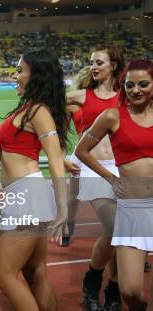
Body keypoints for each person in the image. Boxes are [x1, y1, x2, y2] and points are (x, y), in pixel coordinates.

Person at [0, 49, 69, 310]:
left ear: (35, 76)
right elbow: (8, 156)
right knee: (35, 274)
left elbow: (56, 159)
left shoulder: (38, 111)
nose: (15, 75)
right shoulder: (28, 109)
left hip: (27, 197)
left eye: (20, 70)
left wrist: (63, 208)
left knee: (3, 275)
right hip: (24, 196)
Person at [75, 59, 153, 311]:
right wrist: (111, 178)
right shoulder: (112, 116)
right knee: (130, 292)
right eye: (130, 85)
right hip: (132, 209)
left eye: (144, 84)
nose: (136, 90)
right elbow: (82, 150)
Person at [68, 46, 125, 311]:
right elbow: (43, 109)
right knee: (115, 227)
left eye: (99, 62)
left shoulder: (128, 97)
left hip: (123, 167)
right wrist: (57, 153)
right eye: (91, 62)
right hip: (91, 165)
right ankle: (91, 282)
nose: (93, 66)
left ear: (113, 65)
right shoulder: (81, 96)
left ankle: (113, 292)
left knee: (123, 232)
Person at [61, 66, 90, 247]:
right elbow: (60, 134)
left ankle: (131, 244)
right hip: (81, 156)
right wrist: (61, 157)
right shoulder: (71, 103)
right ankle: (67, 227)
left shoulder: (111, 99)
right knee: (73, 198)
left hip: (110, 157)